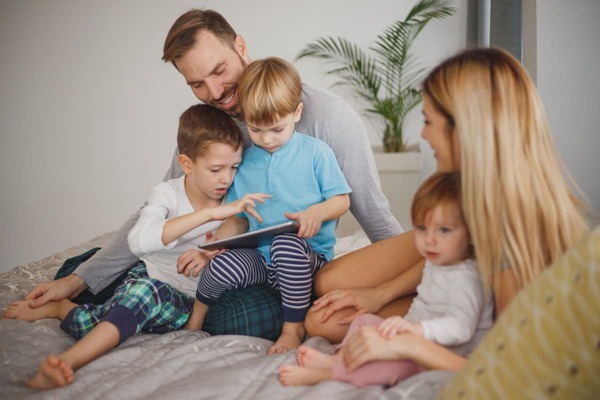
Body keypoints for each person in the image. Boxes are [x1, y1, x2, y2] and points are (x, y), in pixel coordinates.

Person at [21, 9, 403, 340]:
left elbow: (371, 211)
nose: (216, 92)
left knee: (241, 318)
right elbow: (162, 207)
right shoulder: (210, 128)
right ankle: (138, 289)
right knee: (76, 271)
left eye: (219, 71)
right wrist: (82, 279)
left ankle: (153, 298)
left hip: (289, 265)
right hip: (215, 257)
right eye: (197, 83)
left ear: (240, 46)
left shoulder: (329, 119)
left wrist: (413, 282)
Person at [305, 47, 590, 372]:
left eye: (428, 122)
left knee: (326, 318)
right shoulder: (468, 188)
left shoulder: (514, 226)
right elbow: (444, 256)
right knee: (322, 313)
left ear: (468, 127)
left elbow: (513, 364)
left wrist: (409, 344)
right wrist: (379, 295)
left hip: (470, 314)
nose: (423, 135)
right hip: (456, 290)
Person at [1, 104, 269, 389]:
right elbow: (139, 241)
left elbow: (241, 224)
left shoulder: (234, 193)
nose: (226, 178)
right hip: (152, 283)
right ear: (187, 163)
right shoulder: (168, 194)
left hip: (194, 302)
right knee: (136, 300)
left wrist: (211, 247)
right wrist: (206, 215)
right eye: (216, 169)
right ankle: (66, 359)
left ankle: (65, 311)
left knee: (111, 321)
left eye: (234, 167)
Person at [184, 57, 351, 355]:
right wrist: (215, 244)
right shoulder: (245, 160)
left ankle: (292, 329)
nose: (267, 139)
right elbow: (239, 218)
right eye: (256, 129)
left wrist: (316, 213)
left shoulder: (316, 153)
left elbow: (342, 200)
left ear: (297, 112)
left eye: (276, 128)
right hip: (262, 260)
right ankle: (194, 322)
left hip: (306, 256)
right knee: (222, 266)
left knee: (285, 245)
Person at [279, 172, 494, 386]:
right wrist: (395, 330)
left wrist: (416, 332)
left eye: (444, 230)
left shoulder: (467, 278)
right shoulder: (436, 261)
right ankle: (338, 359)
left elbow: (461, 328)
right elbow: (421, 305)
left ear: (472, 233)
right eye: (421, 228)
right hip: (411, 334)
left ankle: (327, 375)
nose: (429, 240)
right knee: (364, 323)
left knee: (391, 366)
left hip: (435, 353)